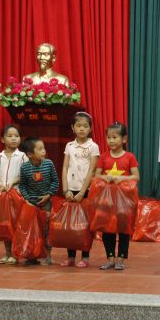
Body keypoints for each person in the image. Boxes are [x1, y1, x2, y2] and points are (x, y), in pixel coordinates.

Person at [94, 123, 140, 271]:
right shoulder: (104, 157)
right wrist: (105, 177)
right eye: (108, 137)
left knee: (123, 228)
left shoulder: (129, 157)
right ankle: (110, 259)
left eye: (115, 137)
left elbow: (136, 176)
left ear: (124, 139)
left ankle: (121, 259)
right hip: (107, 199)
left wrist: (122, 179)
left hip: (124, 200)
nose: (111, 140)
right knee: (107, 228)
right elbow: (97, 175)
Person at [60, 112, 100, 268]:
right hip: (71, 189)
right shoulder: (69, 146)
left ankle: (85, 257)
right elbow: (65, 167)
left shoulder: (93, 146)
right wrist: (65, 190)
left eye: (85, 126)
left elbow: (92, 170)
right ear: (73, 128)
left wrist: (83, 192)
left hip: (86, 190)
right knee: (70, 224)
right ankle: (71, 257)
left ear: (90, 129)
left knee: (84, 225)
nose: (82, 129)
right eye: (78, 126)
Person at [19, 136, 59, 265]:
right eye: (40, 149)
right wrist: (27, 199)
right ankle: (32, 255)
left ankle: (47, 255)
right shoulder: (24, 168)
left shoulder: (49, 164)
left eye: (44, 148)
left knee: (46, 230)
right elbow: (22, 186)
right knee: (32, 230)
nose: (44, 151)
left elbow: (55, 182)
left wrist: (48, 195)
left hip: (46, 204)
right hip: (31, 205)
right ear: (30, 154)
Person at [0, 125, 27, 265]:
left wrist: (12, 182)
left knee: (16, 225)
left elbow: (24, 175)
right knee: (5, 225)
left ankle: (15, 254)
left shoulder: (23, 157)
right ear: (2, 139)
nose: (14, 139)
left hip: (17, 195)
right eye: (10, 136)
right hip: (2, 195)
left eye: (16, 136)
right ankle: (7, 253)